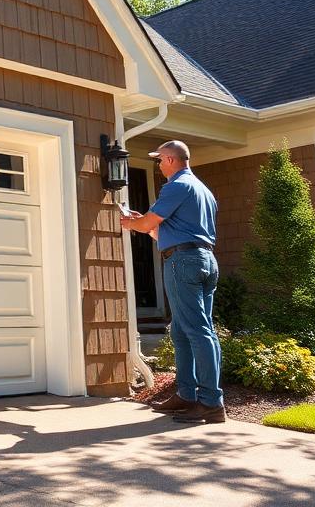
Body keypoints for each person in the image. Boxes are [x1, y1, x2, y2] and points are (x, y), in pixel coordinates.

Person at [119, 140, 225, 424]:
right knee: (181, 332)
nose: (158, 165)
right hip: (203, 260)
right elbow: (165, 231)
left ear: (169, 160)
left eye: (159, 160)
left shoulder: (177, 186)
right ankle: (187, 395)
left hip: (184, 263)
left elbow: (145, 225)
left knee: (198, 331)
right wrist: (147, 225)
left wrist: (132, 223)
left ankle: (210, 403)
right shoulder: (204, 191)